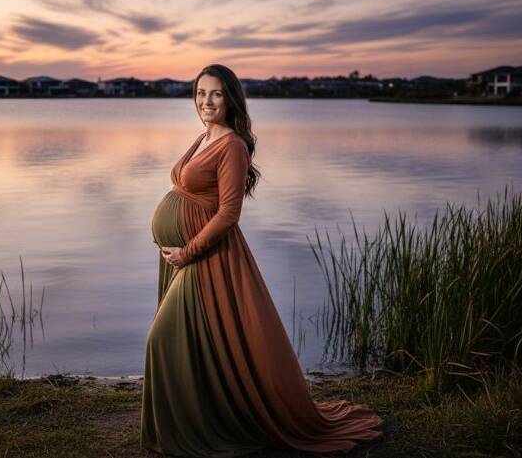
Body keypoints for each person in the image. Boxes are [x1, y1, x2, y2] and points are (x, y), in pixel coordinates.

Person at [141, 64, 383, 456]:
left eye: (216, 94)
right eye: (201, 93)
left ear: (231, 98)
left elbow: (228, 214)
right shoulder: (204, 137)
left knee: (160, 338)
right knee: (191, 343)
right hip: (182, 256)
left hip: (205, 259)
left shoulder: (232, 145)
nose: (206, 101)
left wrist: (187, 251)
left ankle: (189, 432)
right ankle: (194, 419)